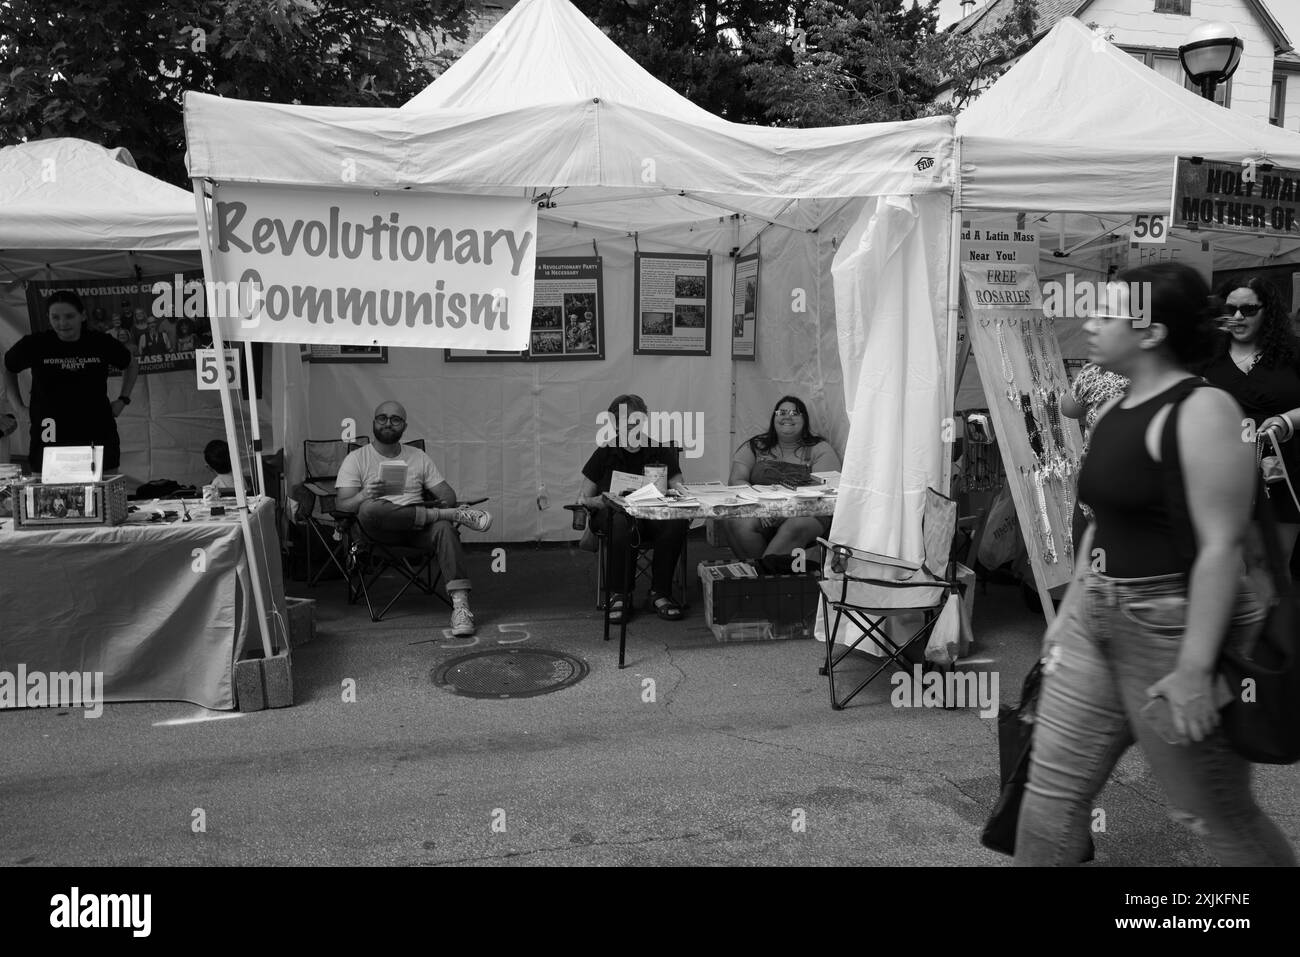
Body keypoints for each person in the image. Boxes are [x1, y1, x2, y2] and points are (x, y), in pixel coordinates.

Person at [1014, 263, 1295, 867]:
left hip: (1171, 624)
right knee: (1047, 801)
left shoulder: (1204, 410)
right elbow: (1104, 520)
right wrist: (1069, 617)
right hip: (1097, 616)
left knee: (1216, 812)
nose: (1088, 323)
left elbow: (1223, 546)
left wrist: (1195, 670)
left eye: (1106, 314)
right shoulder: (1116, 408)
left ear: (1150, 333)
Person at [334, 401, 491, 638]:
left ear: (404, 426)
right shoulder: (356, 459)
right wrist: (365, 494)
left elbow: (448, 495)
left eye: (395, 419)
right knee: (368, 508)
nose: (388, 422)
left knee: (444, 529)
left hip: (419, 531)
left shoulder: (417, 457)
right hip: (378, 532)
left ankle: (460, 607)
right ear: (374, 422)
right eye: (382, 418)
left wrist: (441, 504)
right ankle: (448, 515)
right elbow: (341, 505)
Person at [1198, 276, 1300, 566]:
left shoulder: (1292, 353)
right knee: (1226, 561)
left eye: (1249, 309)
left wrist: (1286, 420)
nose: (1238, 317)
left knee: (1271, 561)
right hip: (1220, 473)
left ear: (1268, 311)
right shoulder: (1206, 356)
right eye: (1230, 310)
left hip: (1281, 471)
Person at [578, 394, 690, 623]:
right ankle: (620, 594)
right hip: (614, 517)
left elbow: (681, 489)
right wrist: (598, 501)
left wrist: (674, 493)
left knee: (676, 520)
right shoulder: (604, 453)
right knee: (621, 522)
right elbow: (582, 498)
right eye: (622, 418)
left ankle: (660, 593)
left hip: (652, 518)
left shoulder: (660, 451)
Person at [3, 290, 137, 474]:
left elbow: (131, 364)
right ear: (48, 318)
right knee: (48, 495)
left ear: (82, 315)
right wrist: (18, 406)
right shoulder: (35, 344)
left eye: (69, 316)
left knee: (103, 490)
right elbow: (8, 368)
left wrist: (123, 399)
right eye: (55, 317)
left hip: (95, 428)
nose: (62, 323)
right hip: (49, 432)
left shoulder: (100, 342)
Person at [720, 396, 840, 571]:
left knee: (796, 525)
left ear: (804, 420)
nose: (787, 417)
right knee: (735, 522)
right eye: (781, 412)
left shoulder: (819, 449)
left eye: (794, 413)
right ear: (774, 418)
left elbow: (826, 489)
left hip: (808, 512)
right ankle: (769, 580)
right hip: (761, 510)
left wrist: (787, 512)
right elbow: (737, 480)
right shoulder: (756, 445)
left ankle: (762, 578)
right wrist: (760, 508)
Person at [1061, 361, 1128, 547]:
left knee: (1097, 567)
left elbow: (1067, 407)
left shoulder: (1097, 373)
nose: (1091, 330)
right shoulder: (1179, 382)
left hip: (1099, 509)